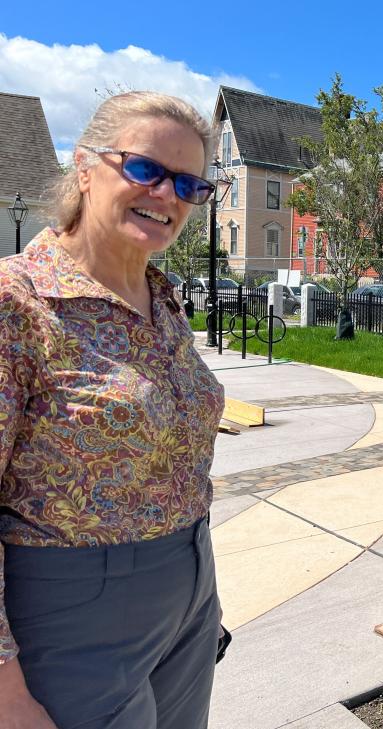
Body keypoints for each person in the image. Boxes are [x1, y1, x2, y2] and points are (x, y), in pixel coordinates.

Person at [0, 91, 225, 728]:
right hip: (74, 610)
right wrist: (6, 696)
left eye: (188, 183)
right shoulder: (17, 301)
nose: (167, 195)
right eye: (145, 169)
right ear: (85, 166)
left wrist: (192, 589)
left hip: (189, 592)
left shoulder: (164, 299)